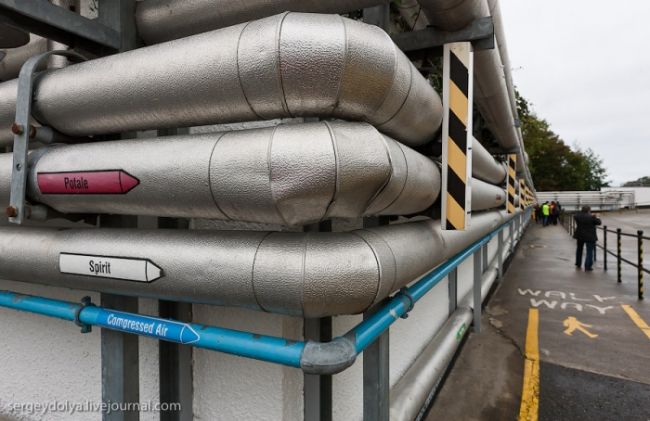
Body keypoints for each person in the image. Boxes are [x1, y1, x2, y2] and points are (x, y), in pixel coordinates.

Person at [573, 206, 601, 271]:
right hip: (590, 236)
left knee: (579, 249)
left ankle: (578, 263)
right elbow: (599, 222)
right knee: (589, 251)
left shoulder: (577, 216)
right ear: (589, 210)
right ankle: (587, 266)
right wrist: (597, 217)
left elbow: (575, 216)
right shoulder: (591, 217)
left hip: (580, 235)